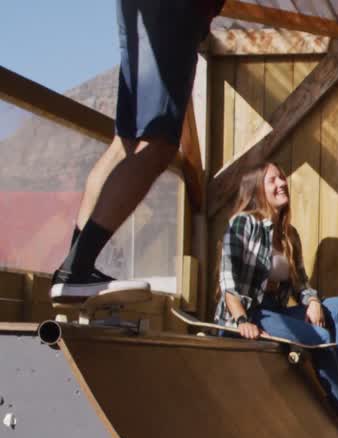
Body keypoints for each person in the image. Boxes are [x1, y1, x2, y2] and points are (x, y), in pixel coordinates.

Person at [51, 0, 226, 301]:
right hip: (176, 11)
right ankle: (75, 270)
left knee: (127, 141)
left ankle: (74, 269)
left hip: (149, 11)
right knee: (158, 145)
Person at [216, 163, 338, 438]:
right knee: (317, 336)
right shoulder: (242, 224)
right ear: (257, 189)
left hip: (277, 313)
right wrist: (241, 320)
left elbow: (302, 283)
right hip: (250, 314)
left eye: (282, 178)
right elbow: (228, 284)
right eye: (272, 180)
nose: (281, 184)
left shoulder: (289, 235)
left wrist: (311, 301)